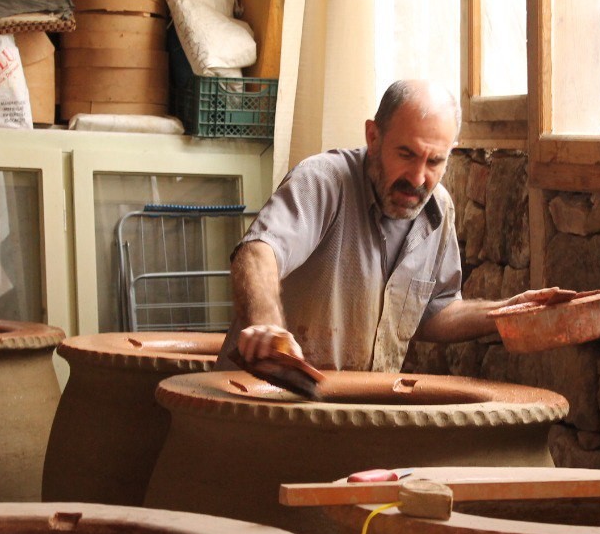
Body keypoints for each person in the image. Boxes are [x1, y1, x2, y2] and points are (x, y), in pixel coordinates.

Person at [221, 78, 567, 376]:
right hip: (264, 399)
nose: (418, 178)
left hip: (351, 412)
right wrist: (266, 324)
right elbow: (257, 252)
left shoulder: (438, 209)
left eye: (434, 161)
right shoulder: (323, 180)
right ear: (373, 137)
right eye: (406, 154)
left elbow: (434, 312)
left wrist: (507, 312)